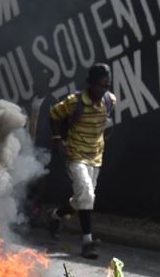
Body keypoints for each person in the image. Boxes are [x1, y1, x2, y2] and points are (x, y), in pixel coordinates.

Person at [46, 63, 116, 259]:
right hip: (75, 155)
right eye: (100, 85)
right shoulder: (74, 101)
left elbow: (108, 124)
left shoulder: (110, 100)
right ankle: (88, 242)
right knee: (86, 193)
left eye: (107, 86)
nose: (103, 90)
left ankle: (56, 215)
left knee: (83, 199)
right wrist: (58, 139)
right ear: (90, 84)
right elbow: (53, 115)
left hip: (96, 156)